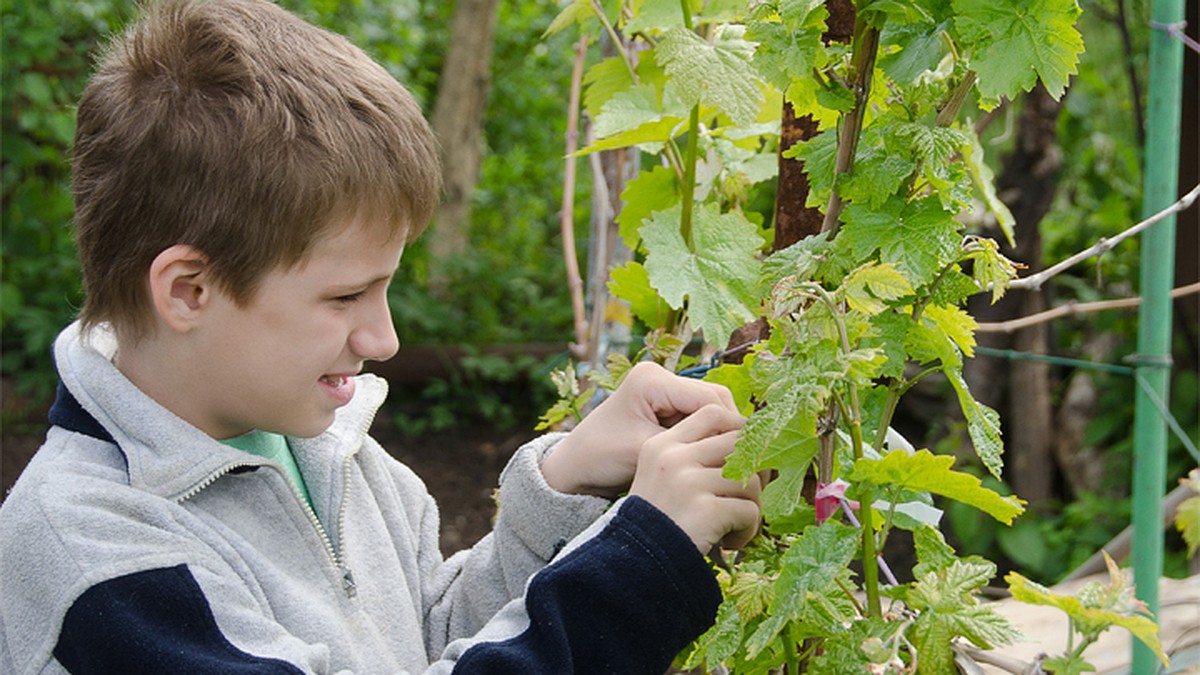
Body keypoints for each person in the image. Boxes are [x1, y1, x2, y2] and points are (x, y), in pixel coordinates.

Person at [0, 0, 763, 672]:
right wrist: (640, 565)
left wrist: (569, 480)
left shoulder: (330, 450)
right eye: (345, 295)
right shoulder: (94, 555)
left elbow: (433, 640)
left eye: (386, 286)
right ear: (188, 291)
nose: (385, 337)